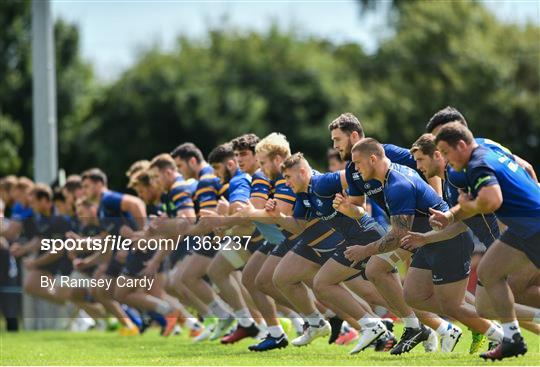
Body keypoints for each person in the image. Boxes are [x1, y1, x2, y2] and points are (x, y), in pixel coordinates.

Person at [430, 122, 540, 360]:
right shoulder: (483, 148)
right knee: (489, 271)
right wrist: (450, 215)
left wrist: (470, 205)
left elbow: (491, 200)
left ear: (461, 145)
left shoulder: (477, 164)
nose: (446, 160)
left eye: (446, 153)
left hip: (534, 226)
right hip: (521, 228)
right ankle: (512, 339)